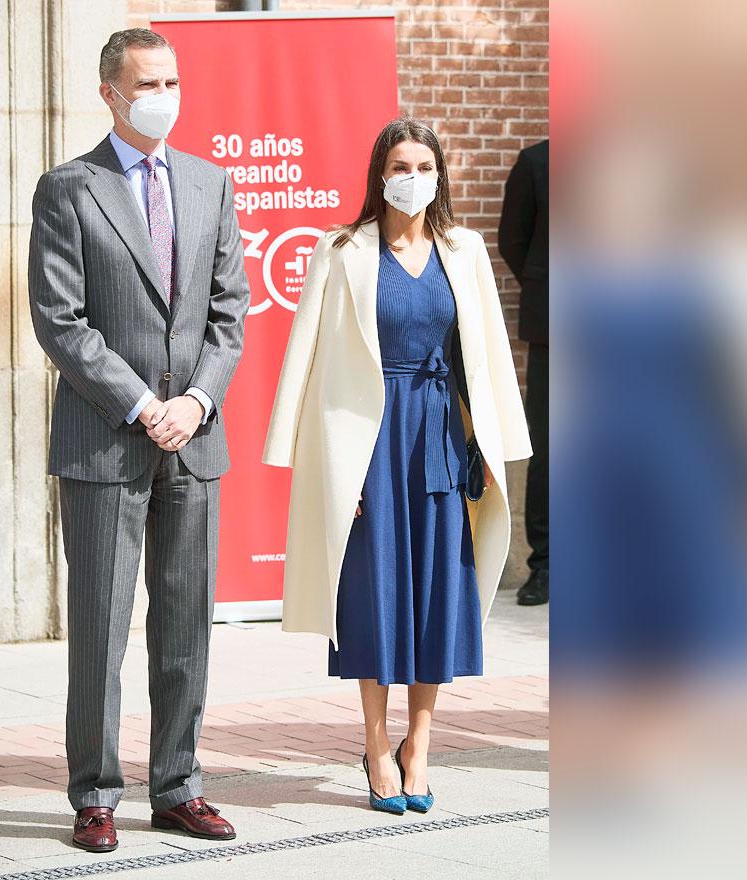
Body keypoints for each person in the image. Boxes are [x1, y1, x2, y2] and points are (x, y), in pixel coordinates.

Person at [262, 119, 531, 815]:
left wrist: (494, 444)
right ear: (379, 174)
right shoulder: (341, 249)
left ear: (439, 173)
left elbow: (486, 354)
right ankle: (376, 746)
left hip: (439, 436)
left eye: (424, 163)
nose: (413, 175)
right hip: (369, 442)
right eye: (399, 163)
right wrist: (315, 464)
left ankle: (421, 744)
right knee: (375, 597)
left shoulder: (465, 250)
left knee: (441, 595)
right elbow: (309, 358)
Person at [27, 28, 249, 853]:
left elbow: (230, 313)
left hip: (194, 438)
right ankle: (94, 793)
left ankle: (178, 784)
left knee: (185, 625)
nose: (165, 93)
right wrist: (137, 403)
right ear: (110, 94)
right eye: (148, 81)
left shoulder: (209, 184)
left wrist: (193, 401)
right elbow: (61, 320)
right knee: (101, 625)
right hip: (104, 442)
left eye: (174, 79)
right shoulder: (69, 189)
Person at [498, 139, 550, 605]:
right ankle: (545, 565)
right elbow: (512, 239)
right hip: (554, 330)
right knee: (549, 448)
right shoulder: (537, 162)